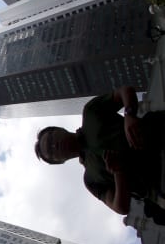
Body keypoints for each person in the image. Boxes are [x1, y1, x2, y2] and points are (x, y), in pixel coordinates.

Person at [35, 85, 165, 215]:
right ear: (60, 161)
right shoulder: (90, 180)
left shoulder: (90, 112)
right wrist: (118, 173)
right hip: (158, 178)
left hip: (158, 134)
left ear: (59, 129)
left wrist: (129, 115)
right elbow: (120, 207)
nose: (55, 146)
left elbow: (125, 91)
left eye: (51, 139)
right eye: (51, 152)